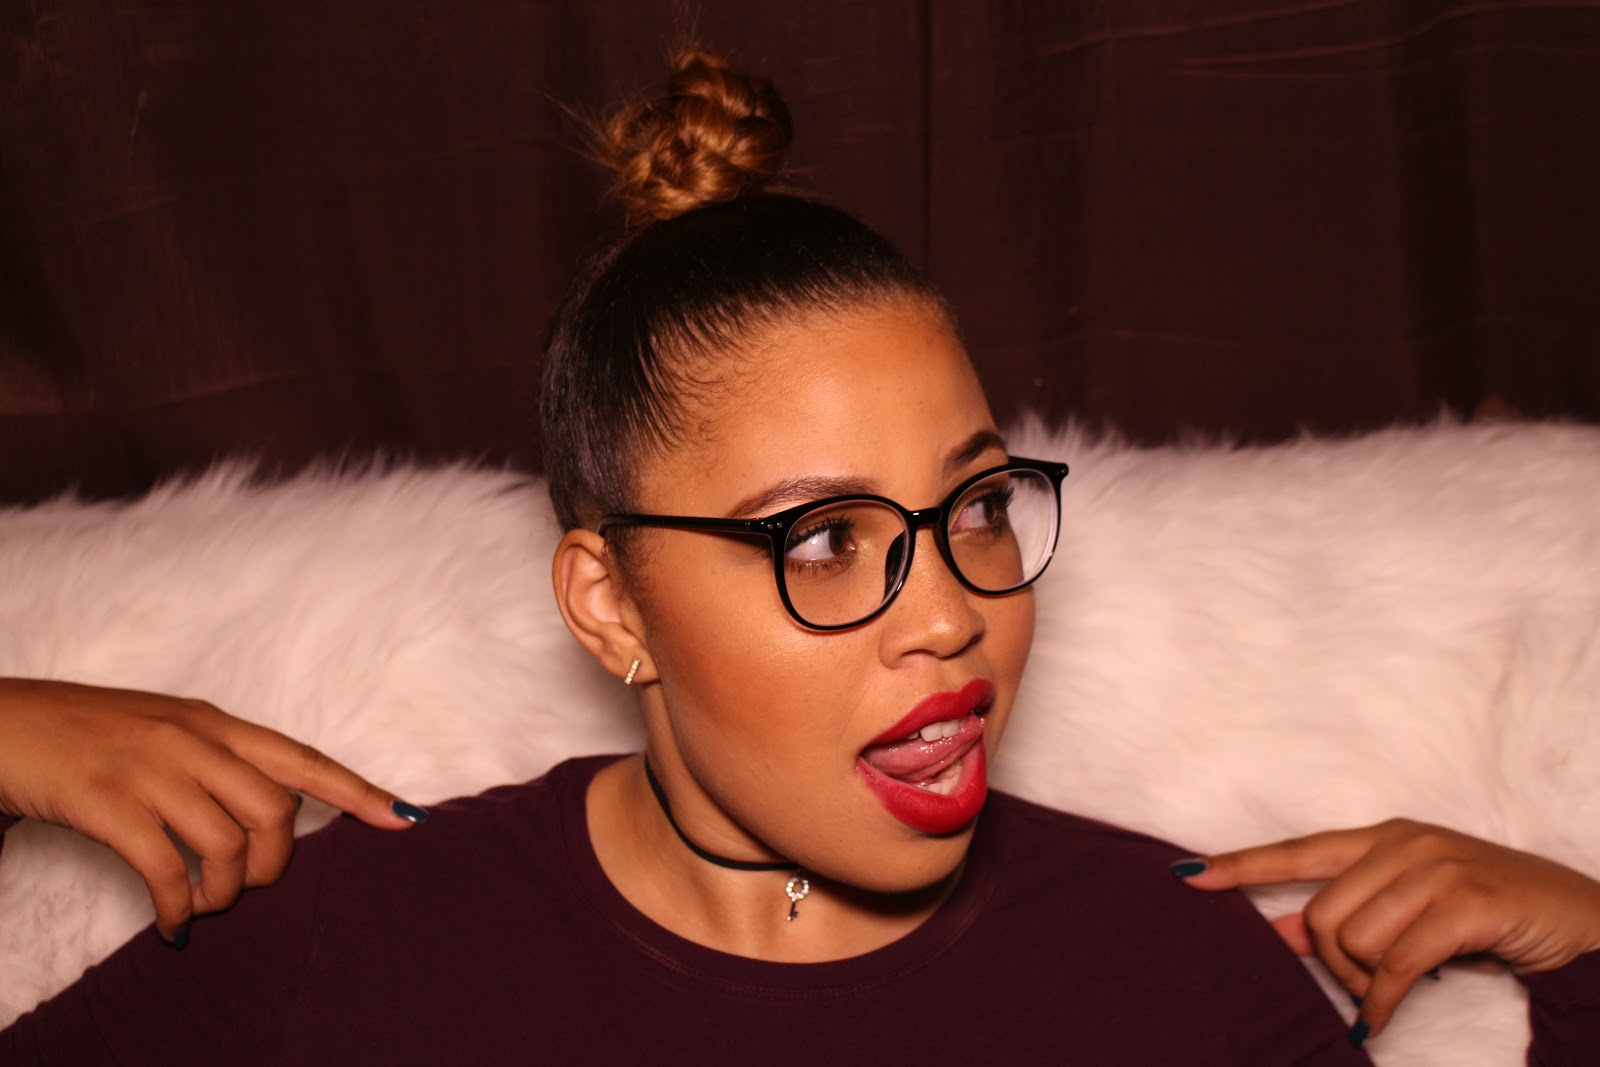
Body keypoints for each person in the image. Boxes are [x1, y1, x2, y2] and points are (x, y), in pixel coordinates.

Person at [2, 51, 1598, 1065]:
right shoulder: (360, 939)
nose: (952, 615)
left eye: (978, 510)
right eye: (826, 541)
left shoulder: (1165, 970)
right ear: (610, 605)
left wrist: (1593, 952)